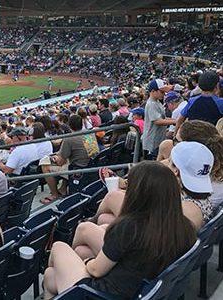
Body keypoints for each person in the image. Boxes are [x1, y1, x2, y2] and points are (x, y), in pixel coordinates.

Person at [42, 161, 196, 299]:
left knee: (58, 247)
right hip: (137, 288)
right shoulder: (185, 227)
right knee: (50, 276)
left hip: (100, 294)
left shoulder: (130, 226)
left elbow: (96, 271)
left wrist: (87, 263)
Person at [40, 115, 99, 203]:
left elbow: (60, 162)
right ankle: (63, 189)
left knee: (45, 167)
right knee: (69, 162)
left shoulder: (69, 139)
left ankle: (54, 194)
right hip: (90, 165)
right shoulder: (89, 133)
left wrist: (56, 158)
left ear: (69, 125)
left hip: (79, 169)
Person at [143, 79, 175, 158]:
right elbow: (157, 121)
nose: (164, 94)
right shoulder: (151, 104)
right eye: (162, 92)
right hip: (152, 141)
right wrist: (175, 121)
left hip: (158, 138)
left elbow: (163, 118)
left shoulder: (157, 102)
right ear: (153, 91)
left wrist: (174, 120)